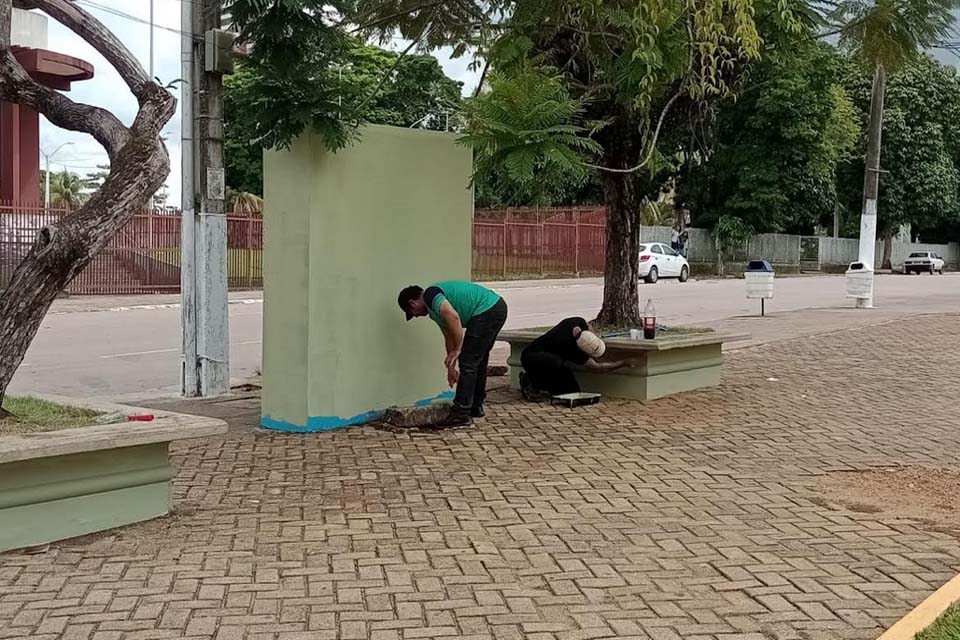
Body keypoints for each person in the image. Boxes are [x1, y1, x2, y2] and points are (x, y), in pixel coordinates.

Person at [398, 281, 508, 427]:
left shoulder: (430, 295)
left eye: (412, 313)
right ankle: (475, 406)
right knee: (477, 361)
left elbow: (453, 317)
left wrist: (458, 349)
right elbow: (448, 336)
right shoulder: (434, 312)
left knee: (468, 361)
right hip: (495, 307)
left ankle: (460, 414)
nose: (416, 316)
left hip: (487, 309)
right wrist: (451, 367)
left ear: (412, 303)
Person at [519, 317, 632, 399]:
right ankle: (531, 382)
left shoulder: (577, 322)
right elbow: (597, 368)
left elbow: (589, 327)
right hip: (531, 359)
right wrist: (623, 363)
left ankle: (542, 385)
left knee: (572, 391)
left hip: (536, 354)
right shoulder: (572, 349)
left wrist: (594, 337)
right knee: (555, 363)